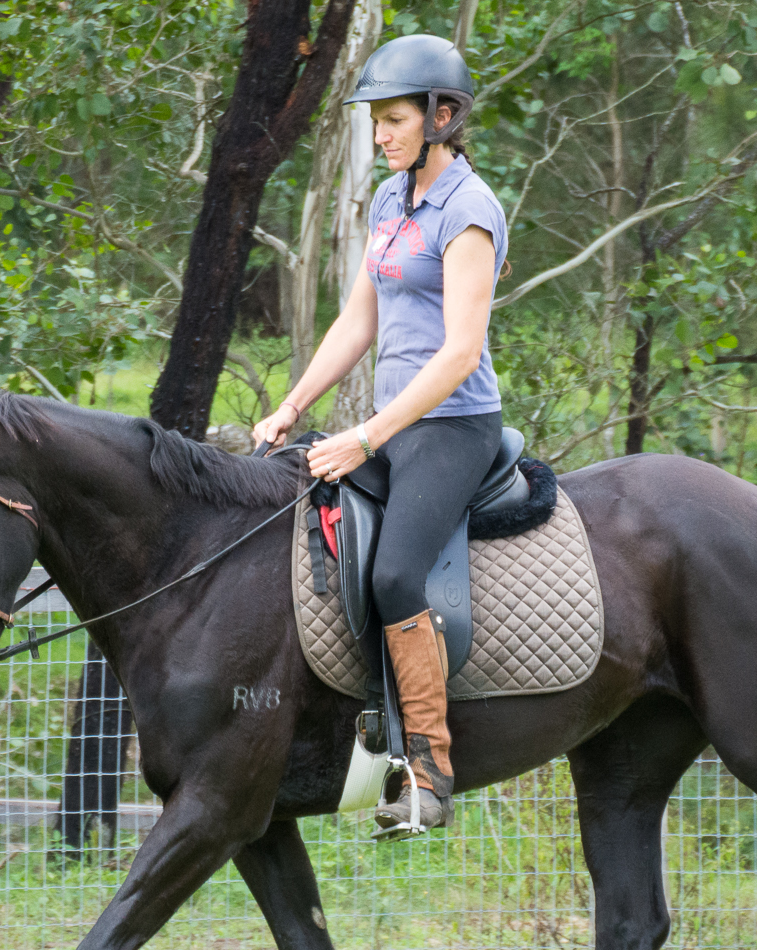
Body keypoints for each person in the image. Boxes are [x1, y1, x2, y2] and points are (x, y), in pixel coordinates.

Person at [253, 33, 508, 834]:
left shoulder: (469, 210)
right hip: (393, 424)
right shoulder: (391, 201)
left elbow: (458, 351)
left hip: (452, 425)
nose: (380, 135)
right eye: (376, 122)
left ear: (441, 116)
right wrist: (293, 405)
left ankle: (429, 773)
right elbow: (357, 318)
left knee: (397, 575)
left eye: (393, 120)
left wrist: (363, 437)